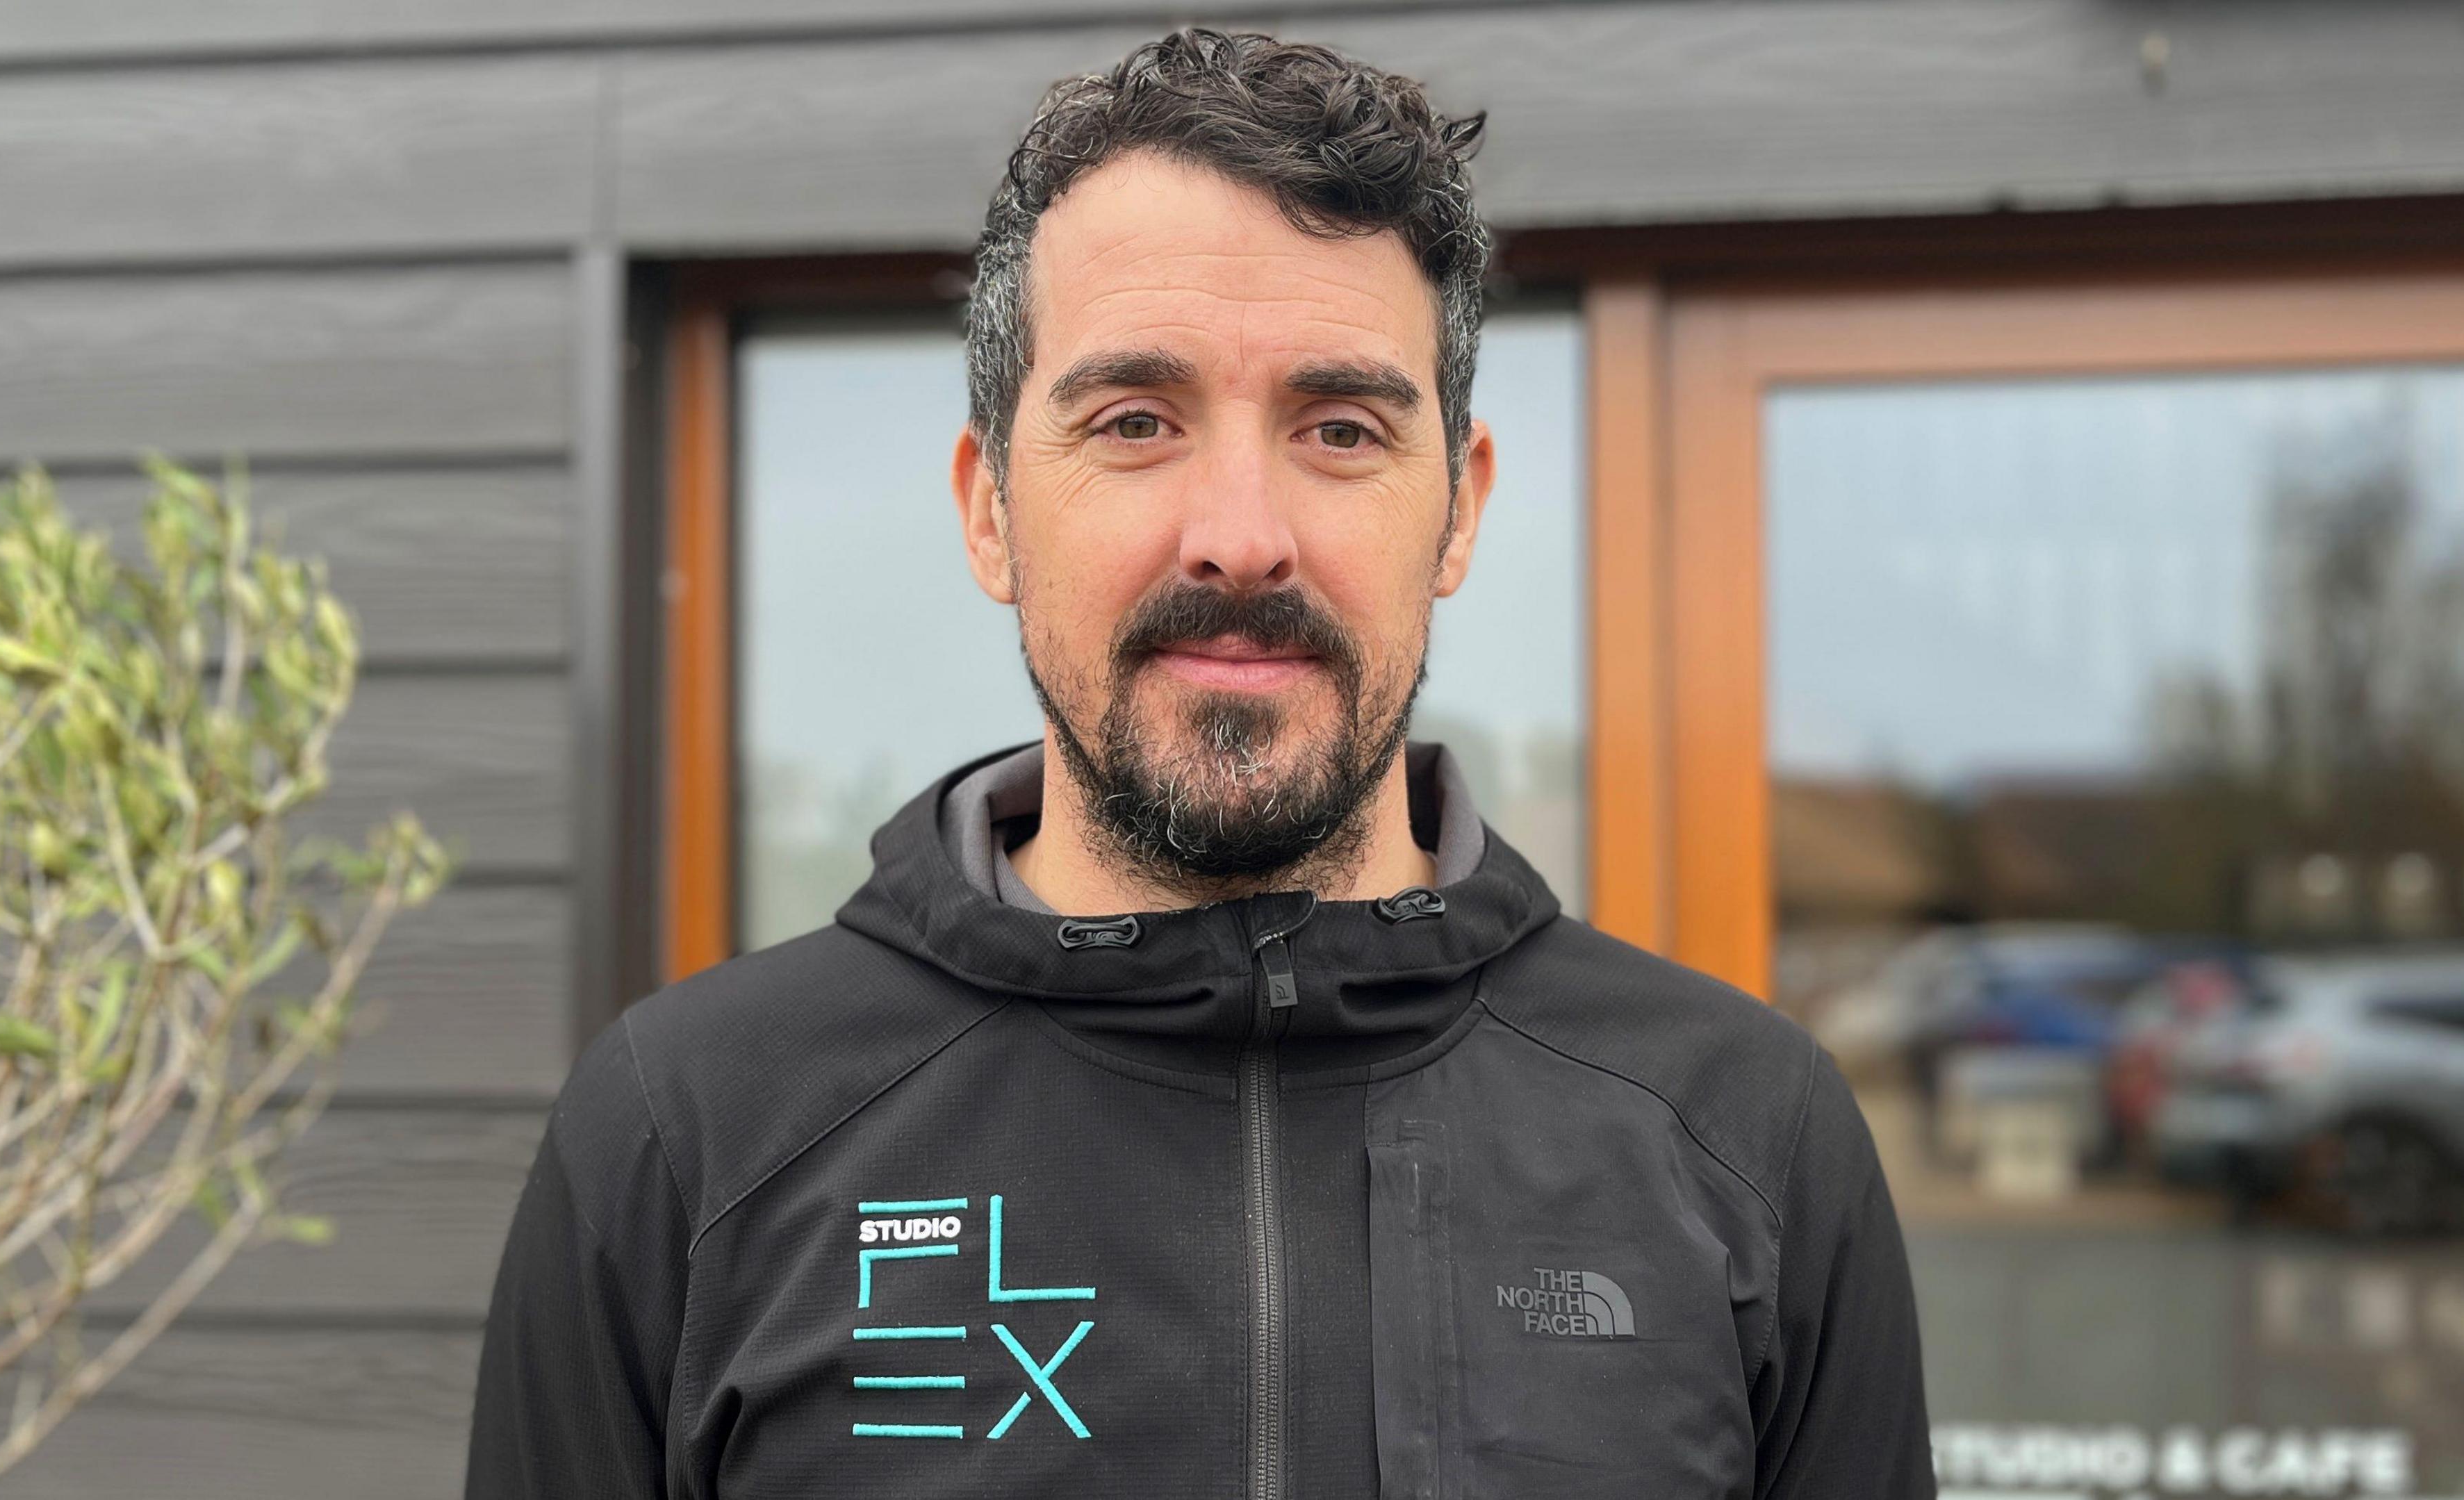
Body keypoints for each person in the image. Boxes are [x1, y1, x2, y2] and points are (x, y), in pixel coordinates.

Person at [466, 26, 1931, 1499]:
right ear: (990, 510)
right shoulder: (690, 1138)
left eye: (1341, 427)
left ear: (1460, 512)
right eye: (1138, 422)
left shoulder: (1749, 1137)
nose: (1240, 530)